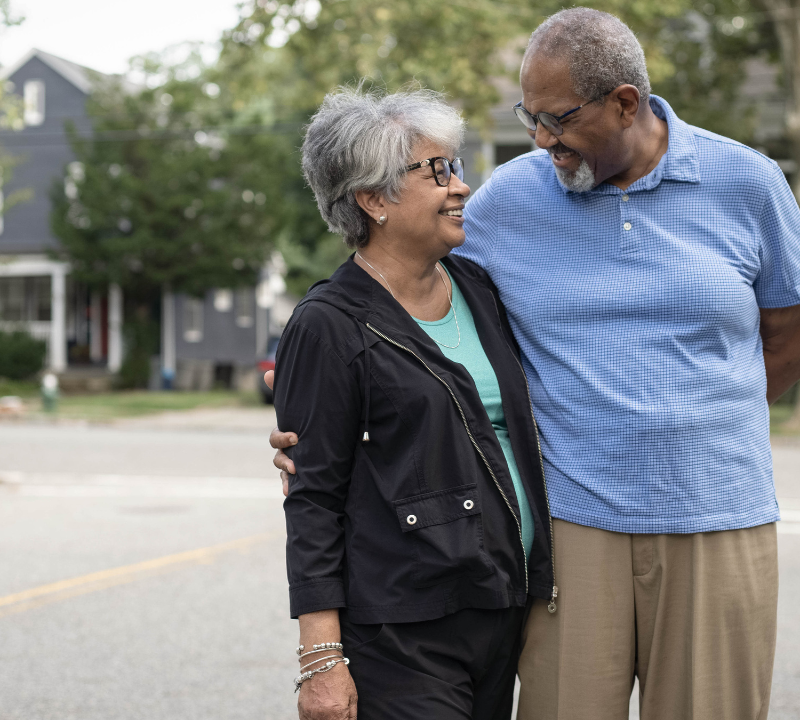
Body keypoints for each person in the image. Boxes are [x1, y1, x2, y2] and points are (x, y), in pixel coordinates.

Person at [269, 8, 800, 720]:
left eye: (558, 119)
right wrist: (316, 426)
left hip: (719, 514)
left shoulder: (750, 182)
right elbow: (395, 293)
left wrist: (698, 428)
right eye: (531, 118)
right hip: (570, 526)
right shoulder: (509, 199)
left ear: (625, 103)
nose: (542, 139)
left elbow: (786, 330)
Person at [275, 87, 555, 720]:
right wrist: (321, 659)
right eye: (437, 172)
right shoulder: (328, 325)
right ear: (373, 199)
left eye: (455, 167)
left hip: (502, 609)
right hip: (403, 632)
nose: (461, 186)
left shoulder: (478, 289)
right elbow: (313, 500)